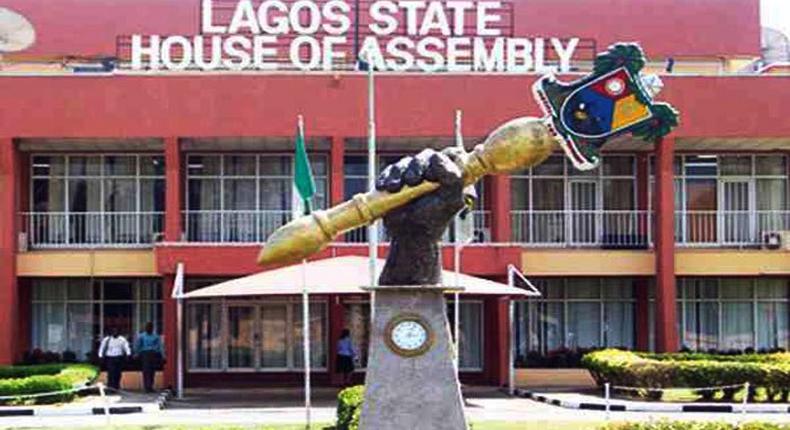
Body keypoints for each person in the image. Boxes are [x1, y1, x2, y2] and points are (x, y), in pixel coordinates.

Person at [134, 322, 164, 393]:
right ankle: (146, 387)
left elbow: (160, 346)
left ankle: (150, 386)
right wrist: (136, 353)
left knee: (152, 371)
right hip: (145, 354)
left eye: (150, 327)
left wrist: (162, 355)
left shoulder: (156, 336)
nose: (148, 328)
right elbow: (138, 345)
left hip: (153, 354)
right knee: (146, 370)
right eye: (147, 327)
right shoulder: (142, 336)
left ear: (152, 328)